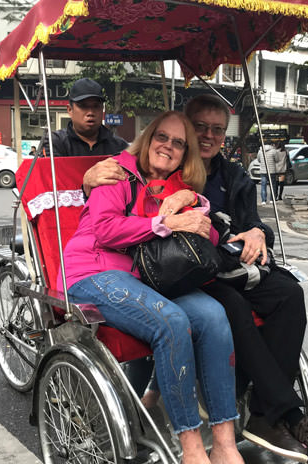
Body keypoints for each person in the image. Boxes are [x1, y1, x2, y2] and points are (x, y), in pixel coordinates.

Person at [62, 111, 244, 464]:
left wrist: (194, 205)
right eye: (162, 137)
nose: (168, 146)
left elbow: (207, 237)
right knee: (172, 322)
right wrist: (165, 223)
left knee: (213, 315)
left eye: (178, 143)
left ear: (185, 154)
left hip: (147, 278)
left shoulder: (178, 186)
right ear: (148, 139)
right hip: (93, 271)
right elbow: (106, 230)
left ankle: (225, 444)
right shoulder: (116, 172)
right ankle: (191, 448)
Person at [181, 95, 308, 464]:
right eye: (200, 127)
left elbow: (254, 221)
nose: (208, 135)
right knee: (233, 306)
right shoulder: (173, 168)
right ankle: (289, 415)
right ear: (187, 128)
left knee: (289, 294)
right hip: (191, 272)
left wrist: (257, 232)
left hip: (235, 265)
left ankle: (262, 410)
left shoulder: (234, 175)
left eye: (216, 129)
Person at [50, 77, 129, 197]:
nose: (90, 112)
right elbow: (49, 182)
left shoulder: (120, 146)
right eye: (83, 106)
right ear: (70, 110)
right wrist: (86, 180)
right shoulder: (55, 143)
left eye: (96, 106)